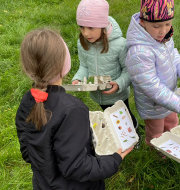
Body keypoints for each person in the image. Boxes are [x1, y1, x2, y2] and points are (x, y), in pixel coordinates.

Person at [16, 29, 133, 189]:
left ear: (28, 69)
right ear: (64, 64)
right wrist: (113, 160)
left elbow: (27, 151)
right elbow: (76, 167)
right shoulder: (73, 110)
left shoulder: (28, 100)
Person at [125, 0, 180, 147]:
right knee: (156, 133)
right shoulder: (139, 52)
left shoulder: (164, 38)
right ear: (143, 22)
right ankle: (159, 157)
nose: (163, 31)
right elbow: (152, 88)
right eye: (157, 26)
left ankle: (173, 143)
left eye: (168, 24)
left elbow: (174, 57)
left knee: (172, 124)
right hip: (154, 106)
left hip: (170, 96)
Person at [72, 0, 138, 130]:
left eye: (91, 27)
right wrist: (78, 78)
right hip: (98, 95)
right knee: (110, 116)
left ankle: (134, 131)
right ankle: (118, 133)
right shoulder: (82, 43)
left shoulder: (120, 45)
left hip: (118, 94)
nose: (85, 33)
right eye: (81, 27)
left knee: (125, 118)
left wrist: (119, 84)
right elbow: (84, 65)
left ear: (103, 25)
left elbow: (129, 70)